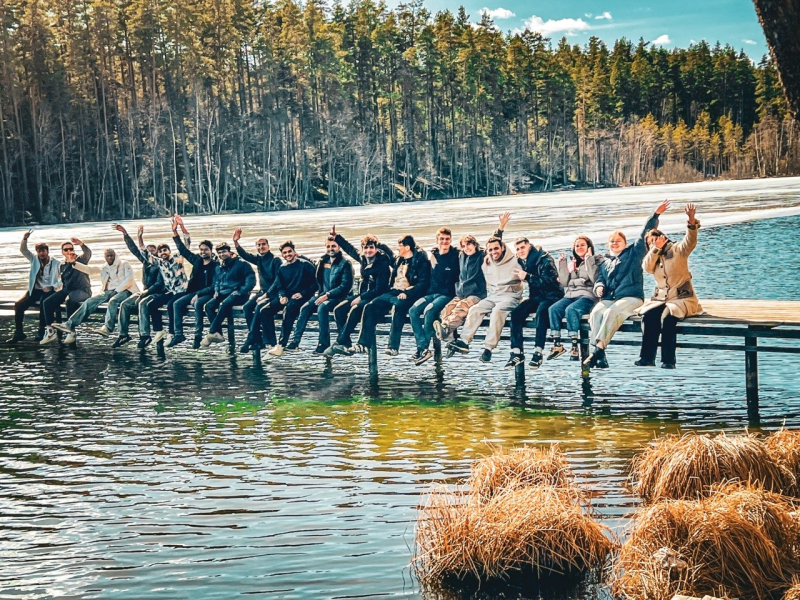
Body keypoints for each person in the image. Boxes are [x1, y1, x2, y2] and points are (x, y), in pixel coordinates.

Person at [583, 201, 667, 369]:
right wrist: (598, 286)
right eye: (612, 241)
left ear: (624, 242)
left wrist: (655, 215)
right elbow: (600, 279)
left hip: (631, 297)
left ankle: (598, 350)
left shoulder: (634, 253)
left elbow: (644, 233)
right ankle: (599, 353)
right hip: (610, 297)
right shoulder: (605, 261)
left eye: (618, 241)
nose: (614, 243)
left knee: (612, 313)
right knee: (596, 313)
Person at [635, 203, 702, 369]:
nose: (653, 244)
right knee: (649, 317)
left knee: (667, 318)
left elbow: (690, 241)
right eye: (649, 243)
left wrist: (691, 221)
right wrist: (654, 250)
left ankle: (668, 361)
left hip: (682, 299)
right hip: (661, 299)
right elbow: (646, 267)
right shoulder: (653, 258)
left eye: (655, 240)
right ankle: (647, 358)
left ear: (662, 238)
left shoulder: (678, 250)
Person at [448, 214, 521, 363]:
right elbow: (489, 244)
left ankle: (488, 348)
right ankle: (464, 342)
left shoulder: (514, 260)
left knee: (497, 312)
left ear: (503, 248)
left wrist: (501, 228)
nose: (494, 252)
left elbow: (496, 241)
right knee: (475, 309)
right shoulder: (487, 259)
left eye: (496, 249)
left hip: (510, 297)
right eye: (491, 250)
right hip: (493, 296)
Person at [351, 235, 431, 356]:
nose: (398, 248)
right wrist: (375, 241)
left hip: (409, 295)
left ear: (407, 247)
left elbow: (423, 284)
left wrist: (407, 293)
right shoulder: (398, 260)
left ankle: (393, 346)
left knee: (398, 307)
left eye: (400, 246)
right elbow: (385, 251)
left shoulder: (420, 262)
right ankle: (362, 344)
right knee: (370, 306)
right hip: (393, 292)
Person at [324, 228, 394, 357]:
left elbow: (380, 289)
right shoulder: (363, 258)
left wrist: (361, 297)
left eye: (371, 247)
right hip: (363, 294)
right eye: (365, 248)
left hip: (376, 297)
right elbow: (350, 249)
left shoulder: (382, 263)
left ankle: (340, 342)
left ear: (376, 248)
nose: (368, 251)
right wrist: (337, 236)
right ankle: (345, 343)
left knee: (356, 309)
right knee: (339, 310)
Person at [51, 249, 139, 344]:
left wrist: (116, 291)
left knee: (113, 301)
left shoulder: (124, 264)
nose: (110, 258)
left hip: (125, 290)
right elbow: (90, 270)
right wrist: (75, 263)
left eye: (111, 255)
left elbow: (129, 280)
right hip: (109, 291)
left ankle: (108, 328)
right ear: (104, 257)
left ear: (115, 255)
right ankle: (69, 324)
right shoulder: (104, 267)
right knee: (89, 301)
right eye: (108, 256)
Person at [289, 236, 354, 353]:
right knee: (305, 307)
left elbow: (345, 286)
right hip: (323, 294)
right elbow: (313, 264)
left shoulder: (345, 264)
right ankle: (295, 341)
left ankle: (323, 343)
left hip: (340, 297)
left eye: (333, 246)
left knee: (322, 307)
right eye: (328, 246)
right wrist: (301, 256)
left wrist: (328, 295)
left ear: (339, 247)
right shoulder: (323, 261)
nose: (331, 249)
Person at [545, 236, 603, 362]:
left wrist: (588, 260)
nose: (579, 248)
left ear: (589, 247)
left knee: (571, 310)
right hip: (570, 295)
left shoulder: (597, 260)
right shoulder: (573, 263)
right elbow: (565, 283)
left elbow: (594, 279)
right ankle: (557, 345)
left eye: (582, 245)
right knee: (553, 309)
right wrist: (562, 265)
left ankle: (574, 346)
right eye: (577, 246)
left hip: (588, 296)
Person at [408, 227, 460, 365]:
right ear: (437, 240)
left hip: (446, 294)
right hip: (431, 293)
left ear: (451, 240)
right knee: (413, 310)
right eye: (441, 239)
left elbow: (476, 252)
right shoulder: (432, 254)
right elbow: (412, 252)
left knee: (429, 310)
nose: (444, 242)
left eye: (447, 239)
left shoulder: (456, 255)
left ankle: (423, 349)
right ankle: (422, 347)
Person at [432, 234, 490, 356]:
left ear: (474, 244)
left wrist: (500, 229)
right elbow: (448, 251)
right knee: (447, 309)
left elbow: (493, 245)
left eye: (469, 244)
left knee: (462, 307)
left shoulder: (481, 256)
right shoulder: (461, 255)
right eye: (464, 246)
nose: (467, 248)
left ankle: (446, 328)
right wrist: (435, 251)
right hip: (461, 292)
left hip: (476, 293)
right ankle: (451, 342)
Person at [255, 241, 316, 355]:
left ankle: (282, 343)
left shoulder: (305, 265)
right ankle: (272, 343)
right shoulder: (282, 268)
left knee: (289, 309)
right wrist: (282, 295)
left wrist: (302, 293)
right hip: (287, 296)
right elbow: (280, 286)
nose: (288, 254)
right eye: (285, 253)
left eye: (290, 251)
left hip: (303, 296)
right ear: (282, 255)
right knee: (264, 310)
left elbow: (315, 284)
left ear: (294, 252)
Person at [111, 224, 165, 348]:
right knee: (125, 304)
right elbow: (135, 249)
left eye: (153, 250)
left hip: (155, 293)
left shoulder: (161, 265)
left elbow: (159, 284)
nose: (150, 251)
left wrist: (145, 293)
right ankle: (123, 334)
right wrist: (126, 234)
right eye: (148, 249)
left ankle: (145, 336)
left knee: (142, 304)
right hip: (145, 292)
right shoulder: (146, 262)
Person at [168, 215, 218, 348]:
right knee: (177, 304)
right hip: (194, 292)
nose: (203, 252)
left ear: (211, 251)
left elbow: (213, 286)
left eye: (206, 250)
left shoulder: (215, 265)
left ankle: (198, 335)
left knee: (198, 304)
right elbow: (183, 250)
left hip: (208, 293)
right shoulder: (196, 260)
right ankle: (179, 334)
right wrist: (175, 231)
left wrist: (198, 294)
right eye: (201, 250)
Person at [233, 229, 282, 354]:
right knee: (247, 307)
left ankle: (251, 338)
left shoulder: (276, 260)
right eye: (258, 245)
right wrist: (236, 242)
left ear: (268, 246)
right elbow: (245, 256)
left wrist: (267, 295)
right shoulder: (259, 259)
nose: (261, 247)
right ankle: (257, 340)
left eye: (263, 244)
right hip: (262, 292)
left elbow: (278, 281)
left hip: (274, 293)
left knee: (260, 307)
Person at [200, 243, 256, 347]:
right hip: (223, 293)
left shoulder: (241, 264)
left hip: (239, 294)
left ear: (229, 252)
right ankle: (218, 333)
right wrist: (216, 290)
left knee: (224, 304)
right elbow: (216, 281)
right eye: (220, 253)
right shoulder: (219, 266)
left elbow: (251, 279)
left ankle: (211, 332)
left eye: (224, 252)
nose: (222, 254)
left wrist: (242, 291)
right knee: (208, 306)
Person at [137, 236, 188, 349]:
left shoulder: (177, 259)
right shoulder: (159, 263)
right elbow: (144, 254)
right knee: (152, 305)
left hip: (182, 290)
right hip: (171, 292)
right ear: (158, 254)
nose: (163, 252)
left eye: (165, 250)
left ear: (169, 251)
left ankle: (172, 333)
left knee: (171, 305)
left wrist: (179, 229)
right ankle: (159, 331)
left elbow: (185, 245)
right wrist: (140, 237)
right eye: (160, 251)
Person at [11, 230, 60, 343]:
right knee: (18, 305)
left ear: (47, 251)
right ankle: (19, 332)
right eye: (39, 251)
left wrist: (52, 287)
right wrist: (25, 239)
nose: (41, 254)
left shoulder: (56, 263)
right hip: (35, 290)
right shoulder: (34, 260)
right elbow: (23, 250)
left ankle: (41, 331)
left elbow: (61, 280)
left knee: (44, 303)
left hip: (49, 290)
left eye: (43, 251)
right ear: (37, 252)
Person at [41, 239, 92, 343]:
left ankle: (71, 331)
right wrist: (52, 287)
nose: (69, 251)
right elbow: (65, 281)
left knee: (70, 300)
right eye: (66, 249)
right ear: (62, 252)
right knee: (47, 302)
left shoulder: (80, 260)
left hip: (82, 290)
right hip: (68, 290)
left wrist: (81, 244)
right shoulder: (62, 265)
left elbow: (88, 253)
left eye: (71, 249)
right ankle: (50, 331)